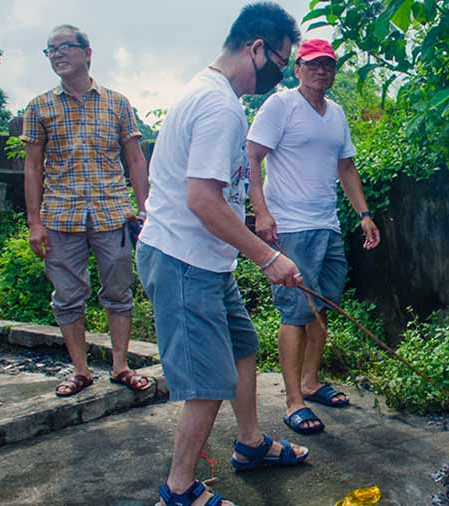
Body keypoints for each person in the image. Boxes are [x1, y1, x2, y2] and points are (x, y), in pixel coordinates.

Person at [136, 4, 307, 505]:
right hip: (184, 260)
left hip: (207, 259)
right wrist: (268, 257)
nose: (281, 76)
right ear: (257, 48)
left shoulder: (214, 95)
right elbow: (203, 199)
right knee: (209, 381)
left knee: (242, 347)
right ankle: (179, 488)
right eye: (281, 62)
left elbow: (216, 195)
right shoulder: (218, 106)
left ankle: (251, 444)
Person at [247, 38, 380, 435]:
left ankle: (311, 381)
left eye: (329, 65)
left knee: (322, 306)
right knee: (295, 311)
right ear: (298, 68)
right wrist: (262, 213)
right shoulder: (280, 105)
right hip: (290, 225)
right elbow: (251, 157)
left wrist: (365, 215)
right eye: (314, 64)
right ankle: (293, 402)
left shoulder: (336, 113)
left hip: (328, 226)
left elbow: (347, 167)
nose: (322, 71)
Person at [22, 24, 152, 397]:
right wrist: (34, 222)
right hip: (61, 217)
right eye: (50, 50)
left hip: (113, 214)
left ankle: (121, 366)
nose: (57, 54)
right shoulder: (40, 107)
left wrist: (144, 210)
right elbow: (32, 167)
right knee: (67, 295)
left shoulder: (117, 102)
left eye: (64, 47)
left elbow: (135, 159)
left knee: (119, 291)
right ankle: (80, 371)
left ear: (87, 52)